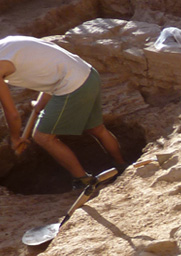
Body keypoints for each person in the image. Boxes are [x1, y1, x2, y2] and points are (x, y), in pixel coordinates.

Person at [1, 36, 127, 190]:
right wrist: (40, 105)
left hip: (73, 87)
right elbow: (50, 66)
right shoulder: (8, 44)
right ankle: (121, 165)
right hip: (88, 75)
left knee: (43, 137)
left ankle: (83, 180)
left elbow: (12, 114)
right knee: (97, 128)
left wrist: (15, 137)